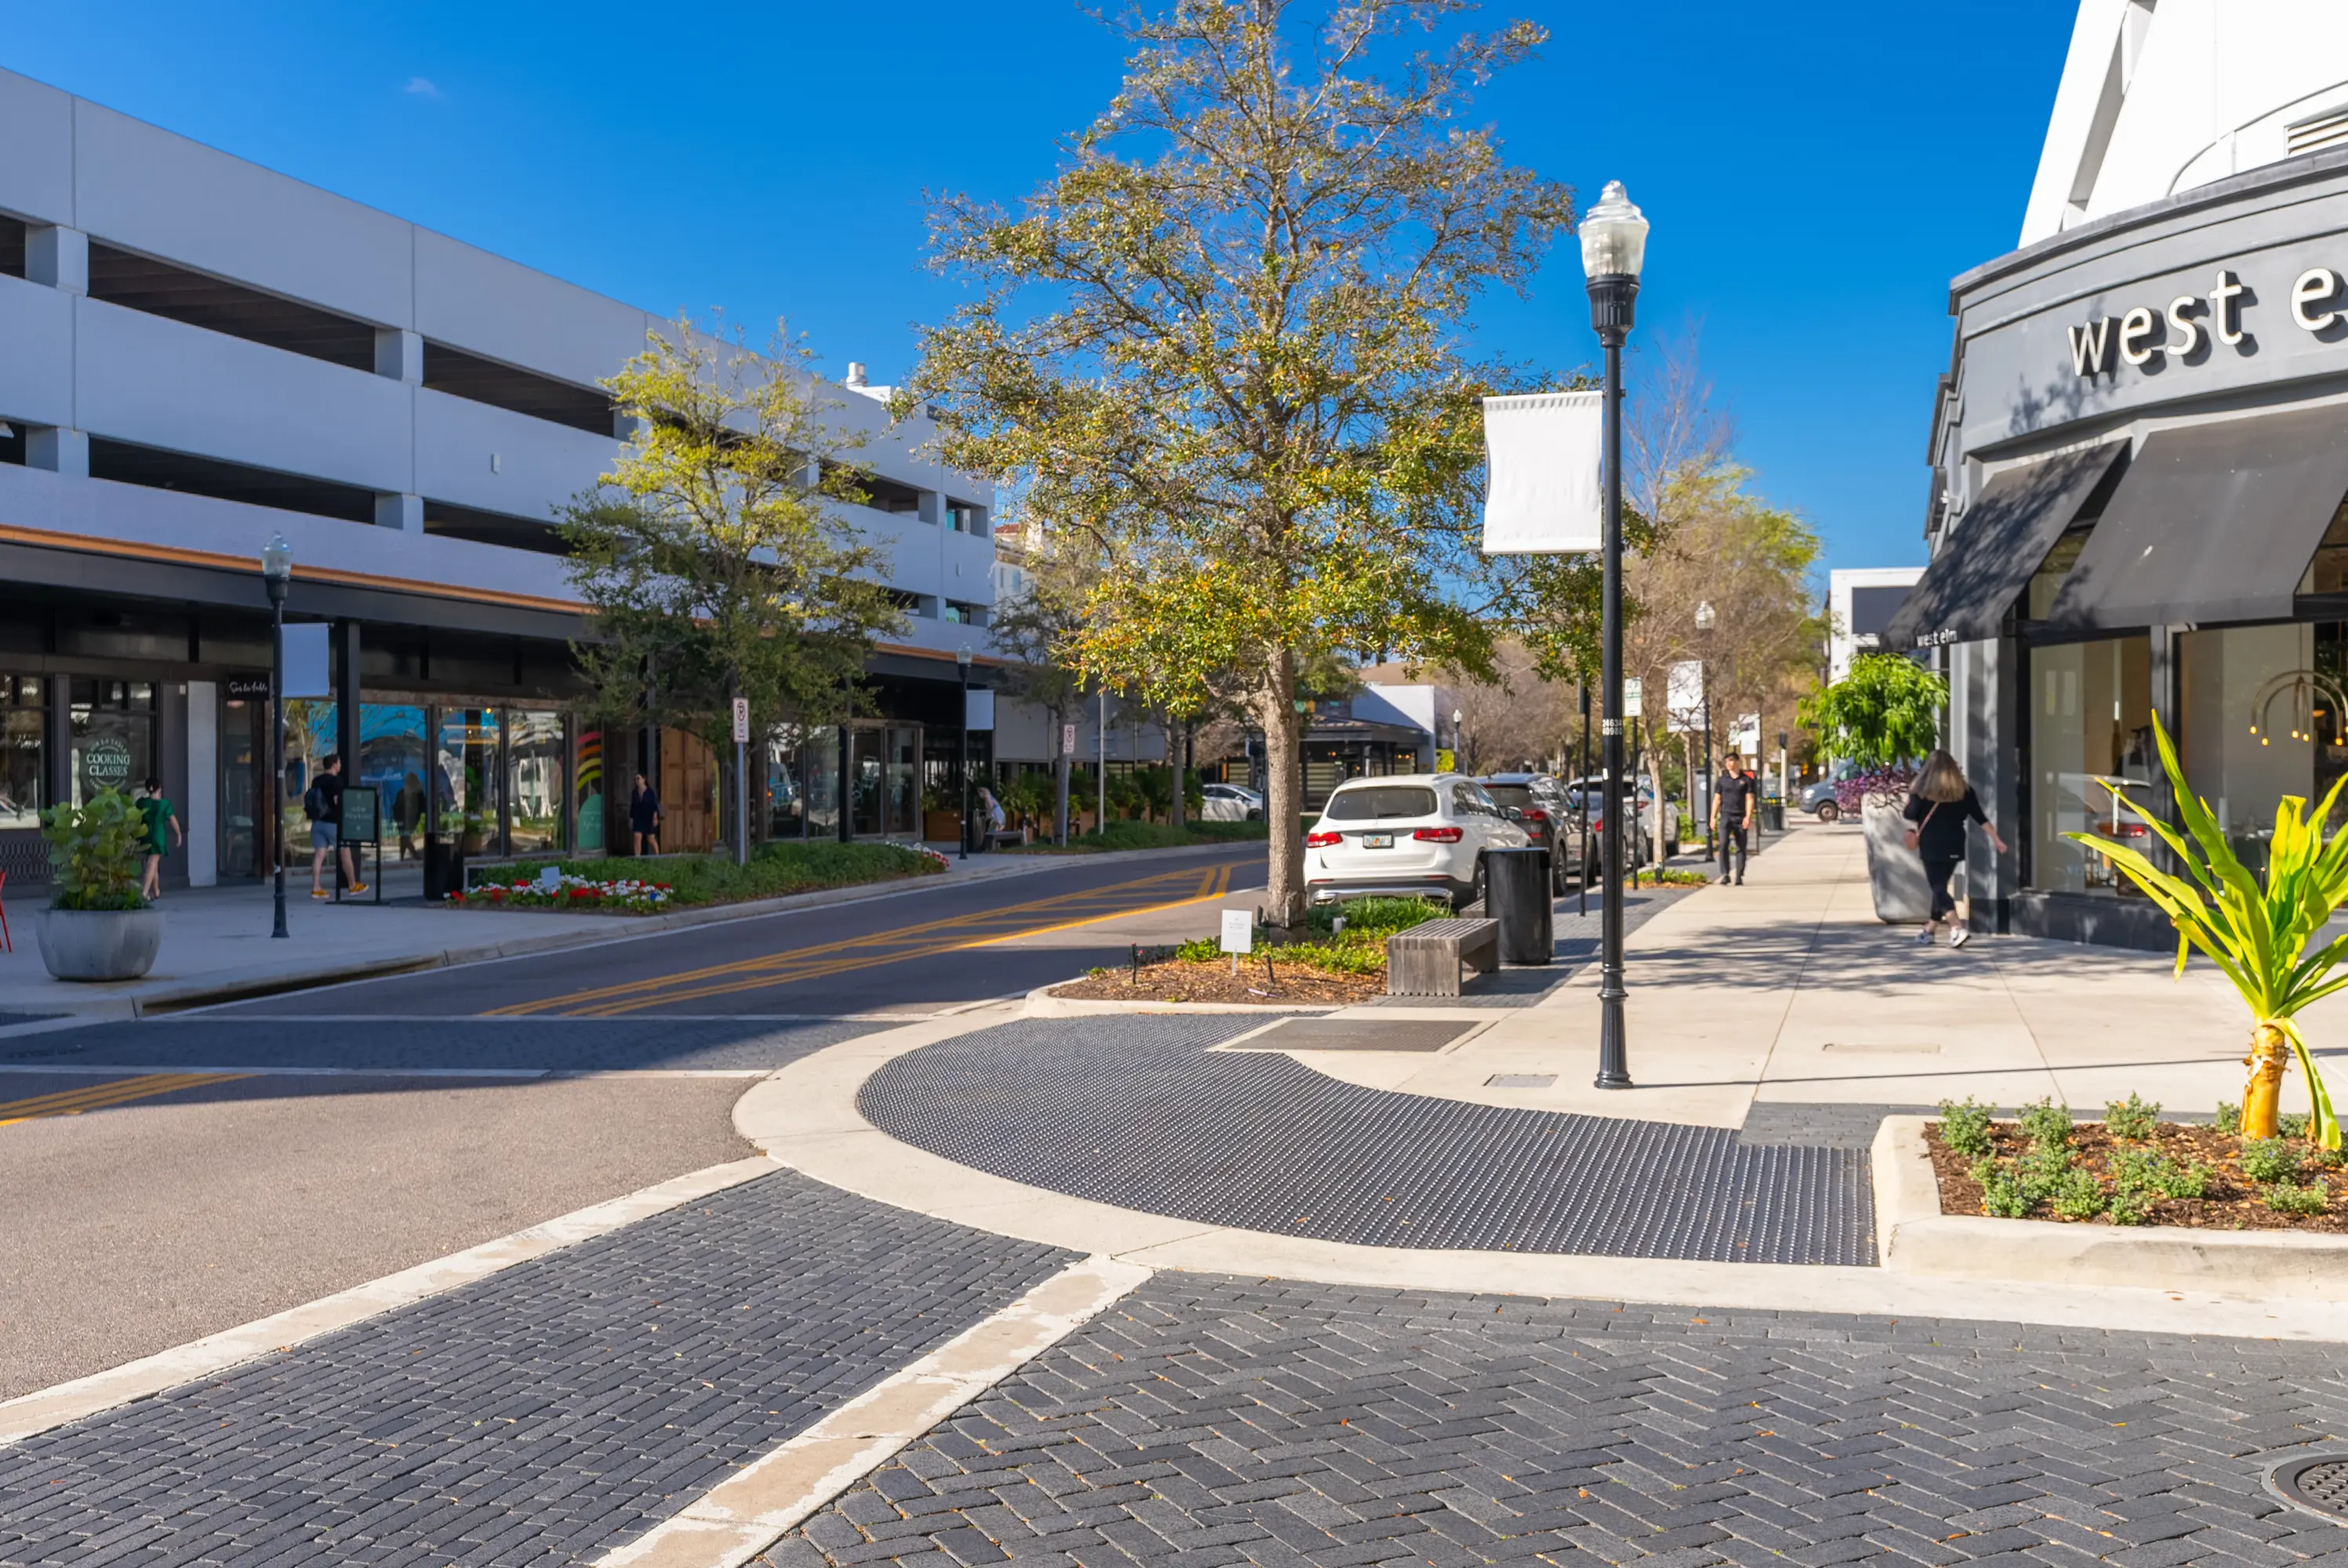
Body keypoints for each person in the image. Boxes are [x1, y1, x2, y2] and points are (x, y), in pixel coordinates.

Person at [1903, 748, 2007, 948]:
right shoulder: (1964, 791)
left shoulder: (1920, 791)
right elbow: (1981, 818)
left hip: (1931, 844)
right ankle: (1929, 931)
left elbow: (1909, 814)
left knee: (1938, 887)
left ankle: (1956, 928)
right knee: (1940, 886)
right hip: (1954, 843)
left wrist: (1910, 800)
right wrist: (1996, 839)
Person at [305, 753, 366, 899]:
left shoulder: (316, 780)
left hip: (317, 823)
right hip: (333, 823)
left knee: (319, 855)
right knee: (345, 853)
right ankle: (353, 885)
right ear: (334, 765)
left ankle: (316, 887)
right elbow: (337, 800)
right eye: (339, 763)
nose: (340, 766)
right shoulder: (337, 781)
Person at [1710, 753, 1758, 885]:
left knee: (1741, 847)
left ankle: (1739, 875)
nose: (1728, 764)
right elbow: (1717, 799)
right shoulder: (1722, 780)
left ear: (1737, 762)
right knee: (1723, 845)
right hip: (1726, 816)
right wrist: (1712, 817)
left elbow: (1750, 799)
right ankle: (1725, 874)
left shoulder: (1747, 780)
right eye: (1727, 761)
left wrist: (1748, 817)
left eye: (1731, 761)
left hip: (1740, 817)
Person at [136, 776, 181, 902]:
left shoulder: (142, 802)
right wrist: (179, 834)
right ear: (159, 788)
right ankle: (145, 892)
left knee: (152, 862)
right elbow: (172, 820)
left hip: (145, 834)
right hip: (158, 835)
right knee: (152, 862)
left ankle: (156, 890)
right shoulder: (164, 804)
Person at [630, 772, 663, 855]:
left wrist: (655, 817)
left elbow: (654, 805)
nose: (636, 781)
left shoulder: (650, 792)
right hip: (638, 818)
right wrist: (631, 819)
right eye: (635, 779)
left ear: (644, 780)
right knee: (637, 836)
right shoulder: (634, 792)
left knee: (650, 838)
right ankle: (637, 856)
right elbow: (633, 806)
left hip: (649, 817)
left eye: (638, 778)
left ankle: (657, 854)